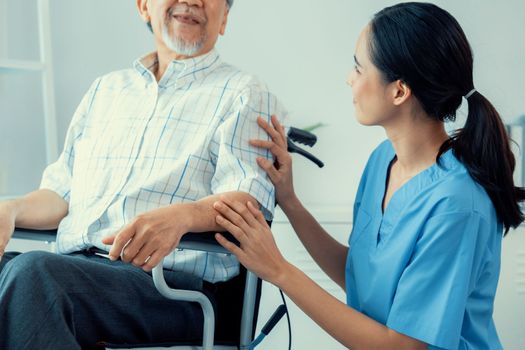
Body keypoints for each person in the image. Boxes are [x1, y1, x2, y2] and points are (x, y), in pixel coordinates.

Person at [212, 2, 525, 349]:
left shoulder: (456, 204)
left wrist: (280, 271)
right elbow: (362, 279)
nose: (350, 79)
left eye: (359, 68)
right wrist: (289, 201)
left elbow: (403, 345)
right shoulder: (383, 161)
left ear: (399, 91)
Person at [0, 0, 286, 348]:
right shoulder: (106, 91)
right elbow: (60, 194)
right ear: (143, 6)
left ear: (224, 17)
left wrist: (184, 215)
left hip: (169, 289)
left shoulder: (246, 94)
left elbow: (248, 201)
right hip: (73, 272)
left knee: (33, 277)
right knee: (28, 277)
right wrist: (10, 210)